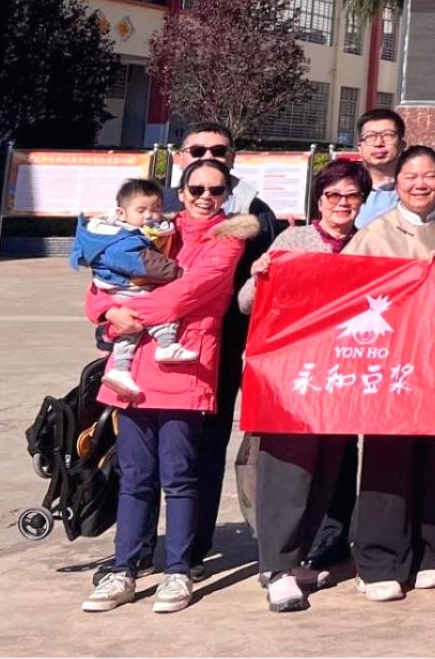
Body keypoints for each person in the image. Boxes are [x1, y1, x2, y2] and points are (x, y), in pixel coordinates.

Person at [80, 160, 260, 614]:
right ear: (181, 192)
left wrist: (124, 316)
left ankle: (178, 570)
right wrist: (106, 312)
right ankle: (124, 568)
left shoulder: (228, 239)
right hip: (132, 369)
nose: (206, 197)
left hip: (185, 366)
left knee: (179, 476)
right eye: (197, 189)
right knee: (134, 476)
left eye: (216, 190)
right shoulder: (153, 226)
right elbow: (102, 276)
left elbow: (190, 293)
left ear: (227, 194)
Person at [343, 146, 435, 601]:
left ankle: (433, 554)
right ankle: (378, 560)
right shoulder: (374, 233)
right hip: (391, 365)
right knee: (388, 459)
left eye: (429, 176)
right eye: (411, 177)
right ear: (397, 183)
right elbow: (341, 288)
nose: (420, 184)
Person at [240, 159, 374, 612]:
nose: (342, 204)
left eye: (351, 196)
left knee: (327, 469)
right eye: (333, 195)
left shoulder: (369, 245)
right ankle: (275, 568)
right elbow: (246, 303)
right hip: (291, 374)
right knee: (288, 470)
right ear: (319, 200)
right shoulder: (292, 241)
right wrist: (260, 274)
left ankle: (297, 558)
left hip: (343, 374)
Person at [167, 122, 281, 577]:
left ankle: (192, 548)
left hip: (223, 345)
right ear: (181, 157)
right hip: (157, 344)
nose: (208, 156)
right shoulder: (158, 209)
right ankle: (136, 549)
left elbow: (266, 284)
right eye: (198, 150)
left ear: (233, 158)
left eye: (219, 149)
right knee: (148, 451)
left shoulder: (257, 212)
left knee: (207, 445)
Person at [71, 179, 187, 401]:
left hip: (124, 295)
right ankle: (127, 366)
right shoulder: (120, 238)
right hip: (124, 293)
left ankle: (145, 355)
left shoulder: (149, 232)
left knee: (136, 326)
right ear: (121, 213)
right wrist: (178, 272)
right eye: (141, 210)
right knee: (135, 327)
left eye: (156, 209)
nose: (150, 215)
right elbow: (141, 262)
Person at [352, 108, 407, 226]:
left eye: (388, 135)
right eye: (370, 136)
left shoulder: (417, 188)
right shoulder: (347, 187)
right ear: (360, 148)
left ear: (402, 145)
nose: (379, 143)